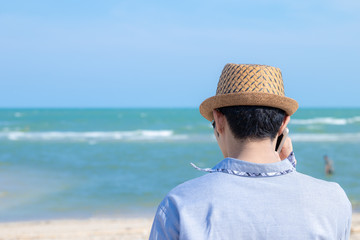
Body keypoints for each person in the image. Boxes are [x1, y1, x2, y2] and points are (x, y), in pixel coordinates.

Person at [149, 64, 352, 239]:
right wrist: (288, 171)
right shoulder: (333, 200)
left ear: (219, 121)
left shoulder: (180, 204)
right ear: (283, 124)